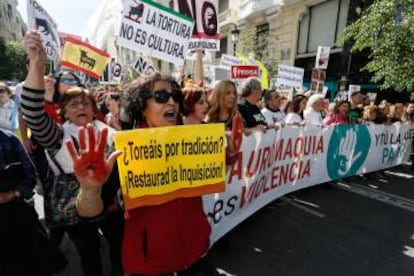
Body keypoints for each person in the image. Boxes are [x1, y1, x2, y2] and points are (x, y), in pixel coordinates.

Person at [21, 30, 124, 276]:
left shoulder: (108, 131)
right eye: (74, 104)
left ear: (93, 109)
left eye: (86, 103)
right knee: (89, 255)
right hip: (73, 212)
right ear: (64, 113)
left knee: (118, 245)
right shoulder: (56, 135)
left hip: (108, 206)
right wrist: (36, 65)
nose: (81, 107)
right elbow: (33, 114)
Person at [0, 128, 67, 275]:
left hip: (17, 213)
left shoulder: (10, 140)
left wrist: (13, 193)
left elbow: (30, 175)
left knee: (36, 264)